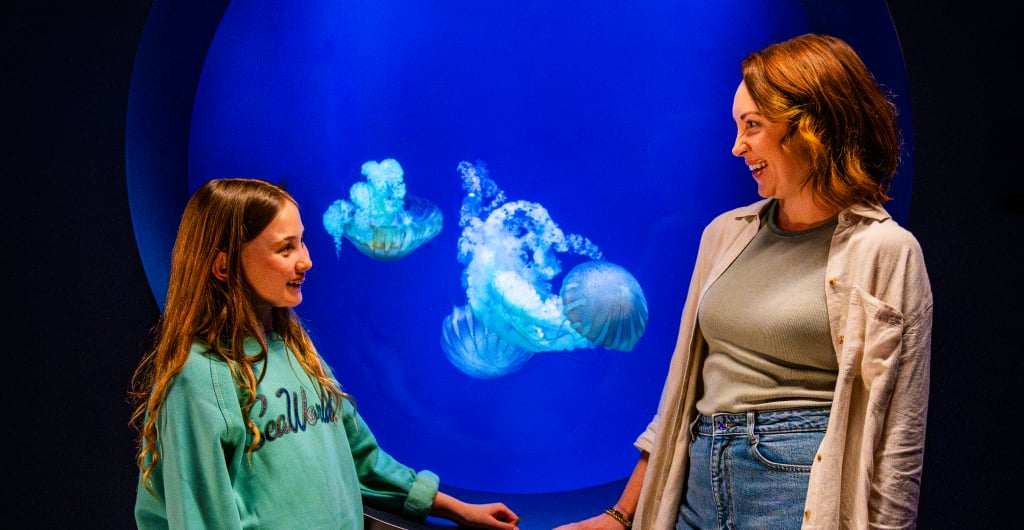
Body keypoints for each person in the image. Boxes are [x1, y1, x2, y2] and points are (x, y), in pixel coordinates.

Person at [555, 33, 932, 529]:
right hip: (693, 488)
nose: (737, 147)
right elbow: (683, 393)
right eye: (737, 126)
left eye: (752, 125)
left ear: (812, 125)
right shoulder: (724, 235)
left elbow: (899, 442)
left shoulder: (886, 250)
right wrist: (623, 515)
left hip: (799, 494)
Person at [129, 178, 521, 529]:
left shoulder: (297, 351)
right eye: (286, 248)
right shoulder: (201, 379)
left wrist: (457, 509)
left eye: (302, 241)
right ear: (223, 265)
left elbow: (362, 460)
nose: (306, 260)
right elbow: (202, 518)